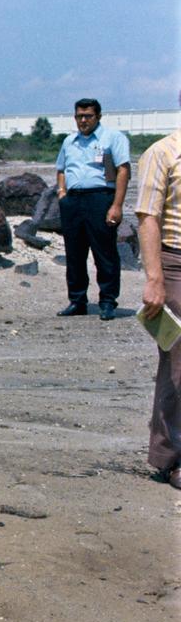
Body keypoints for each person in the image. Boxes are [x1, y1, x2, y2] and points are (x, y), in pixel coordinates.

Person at [55, 98, 131, 320]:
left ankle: (107, 302)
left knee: (104, 253)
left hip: (100, 198)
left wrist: (116, 205)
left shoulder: (113, 138)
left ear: (98, 116)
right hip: (73, 201)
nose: (83, 120)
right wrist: (62, 192)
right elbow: (61, 169)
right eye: (79, 116)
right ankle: (77, 301)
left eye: (88, 116)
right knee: (74, 254)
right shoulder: (69, 141)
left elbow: (123, 170)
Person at [135, 124, 181, 490]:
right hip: (175, 263)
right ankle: (172, 458)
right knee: (179, 361)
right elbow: (147, 217)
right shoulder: (161, 153)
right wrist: (154, 278)